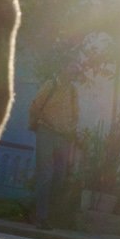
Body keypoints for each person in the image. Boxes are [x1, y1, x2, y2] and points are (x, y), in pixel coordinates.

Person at [27, 70, 80, 227]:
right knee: (45, 174)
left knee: (59, 176)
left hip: (63, 136)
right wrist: (48, 122)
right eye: (71, 68)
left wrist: (70, 129)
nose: (73, 72)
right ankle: (41, 217)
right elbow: (35, 106)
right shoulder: (50, 86)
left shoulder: (73, 91)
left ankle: (49, 214)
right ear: (64, 68)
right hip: (46, 131)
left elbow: (76, 114)